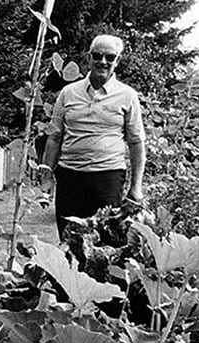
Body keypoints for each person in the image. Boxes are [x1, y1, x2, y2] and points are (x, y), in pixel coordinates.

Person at [40, 34, 147, 239]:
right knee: (69, 239)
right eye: (97, 55)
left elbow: (136, 143)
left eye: (110, 57)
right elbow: (54, 137)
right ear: (89, 58)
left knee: (107, 241)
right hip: (70, 178)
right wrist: (46, 177)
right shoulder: (68, 93)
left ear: (118, 60)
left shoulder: (127, 95)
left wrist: (136, 188)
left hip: (108, 178)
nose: (103, 62)